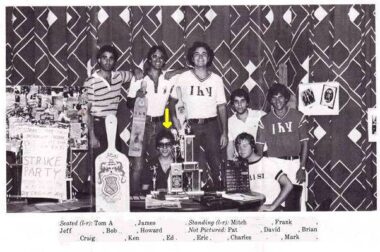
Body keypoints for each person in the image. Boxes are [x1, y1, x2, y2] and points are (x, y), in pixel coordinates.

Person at [83, 45, 142, 201]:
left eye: (111, 58)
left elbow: (134, 74)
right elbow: (86, 111)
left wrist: (136, 70)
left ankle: (112, 198)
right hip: (97, 125)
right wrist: (92, 136)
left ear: (114, 61)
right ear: (99, 60)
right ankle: (97, 201)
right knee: (98, 164)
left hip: (112, 125)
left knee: (114, 162)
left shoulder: (118, 76)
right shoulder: (91, 81)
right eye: (104, 57)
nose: (107, 61)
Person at [170, 41, 228, 191]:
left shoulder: (216, 79)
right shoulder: (183, 77)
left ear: (209, 58)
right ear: (191, 58)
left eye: (204, 54)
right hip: (191, 126)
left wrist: (225, 133)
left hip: (211, 124)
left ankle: (220, 193)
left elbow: (221, 106)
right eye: (196, 54)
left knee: (216, 161)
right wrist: (174, 120)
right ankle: (192, 193)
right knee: (191, 161)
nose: (200, 57)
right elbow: (172, 101)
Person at [127, 45, 180, 193]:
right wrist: (138, 95)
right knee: (137, 165)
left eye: (161, 57)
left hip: (161, 124)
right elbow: (128, 103)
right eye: (154, 56)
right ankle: (134, 199)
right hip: (140, 123)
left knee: (159, 162)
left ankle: (160, 195)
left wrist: (174, 72)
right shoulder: (139, 78)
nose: (158, 59)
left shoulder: (168, 78)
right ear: (149, 59)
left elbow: (187, 70)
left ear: (164, 61)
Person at [256, 83, 309, 211]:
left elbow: (305, 143)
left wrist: (302, 167)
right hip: (274, 163)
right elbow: (259, 148)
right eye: (274, 98)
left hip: (295, 163)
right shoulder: (264, 120)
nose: (277, 101)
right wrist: (263, 169)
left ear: (286, 98)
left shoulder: (298, 116)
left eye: (280, 97)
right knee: (275, 199)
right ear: (270, 100)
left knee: (297, 202)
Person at [235, 133, 293, 211]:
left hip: (271, 208)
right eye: (238, 146)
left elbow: (288, 185)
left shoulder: (266, 162)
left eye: (244, 146)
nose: (241, 150)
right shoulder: (241, 167)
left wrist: (272, 206)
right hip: (254, 208)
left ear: (252, 146)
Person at [227, 88, 265, 160]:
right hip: (242, 159)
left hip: (262, 157)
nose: (239, 105)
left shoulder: (259, 115)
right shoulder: (230, 121)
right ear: (232, 104)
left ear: (247, 103)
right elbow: (230, 145)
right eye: (236, 102)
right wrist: (230, 161)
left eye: (242, 101)